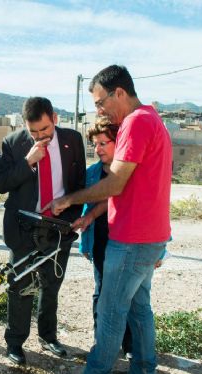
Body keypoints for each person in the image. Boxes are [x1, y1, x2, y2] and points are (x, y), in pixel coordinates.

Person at [50, 65, 172, 374]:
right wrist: (91, 218)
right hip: (150, 236)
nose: (100, 110)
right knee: (138, 307)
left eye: (101, 102)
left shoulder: (135, 122)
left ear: (119, 92)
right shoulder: (151, 118)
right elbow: (131, 186)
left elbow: (116, 182)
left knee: (111, 309)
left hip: (133, 239)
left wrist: (70, 199)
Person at [0, 97, 85, 365]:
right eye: (33, 131)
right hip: (23, 225)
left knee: (51, 284)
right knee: (20, 286)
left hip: (58, 227)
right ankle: (15, 343)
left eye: (44, 130)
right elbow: (2, 184)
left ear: (54, 119)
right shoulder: (13, 143)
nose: (39, 136)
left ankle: (48, 337)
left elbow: (78, 182)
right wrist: (28, 161)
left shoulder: (73, 139)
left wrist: (69, 217)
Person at [74, 117, 133, 358]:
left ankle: (130, 346)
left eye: (102, 143)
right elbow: (87, 209)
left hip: (129, 241)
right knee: (101, 292)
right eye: (95, 144)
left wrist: (159, 250)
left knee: (128, 295)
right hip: (100, 240)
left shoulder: (132, 171)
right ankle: (102, 343)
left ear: (118, 142)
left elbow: (152, 208)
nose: (97, 149)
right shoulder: (92, 173)